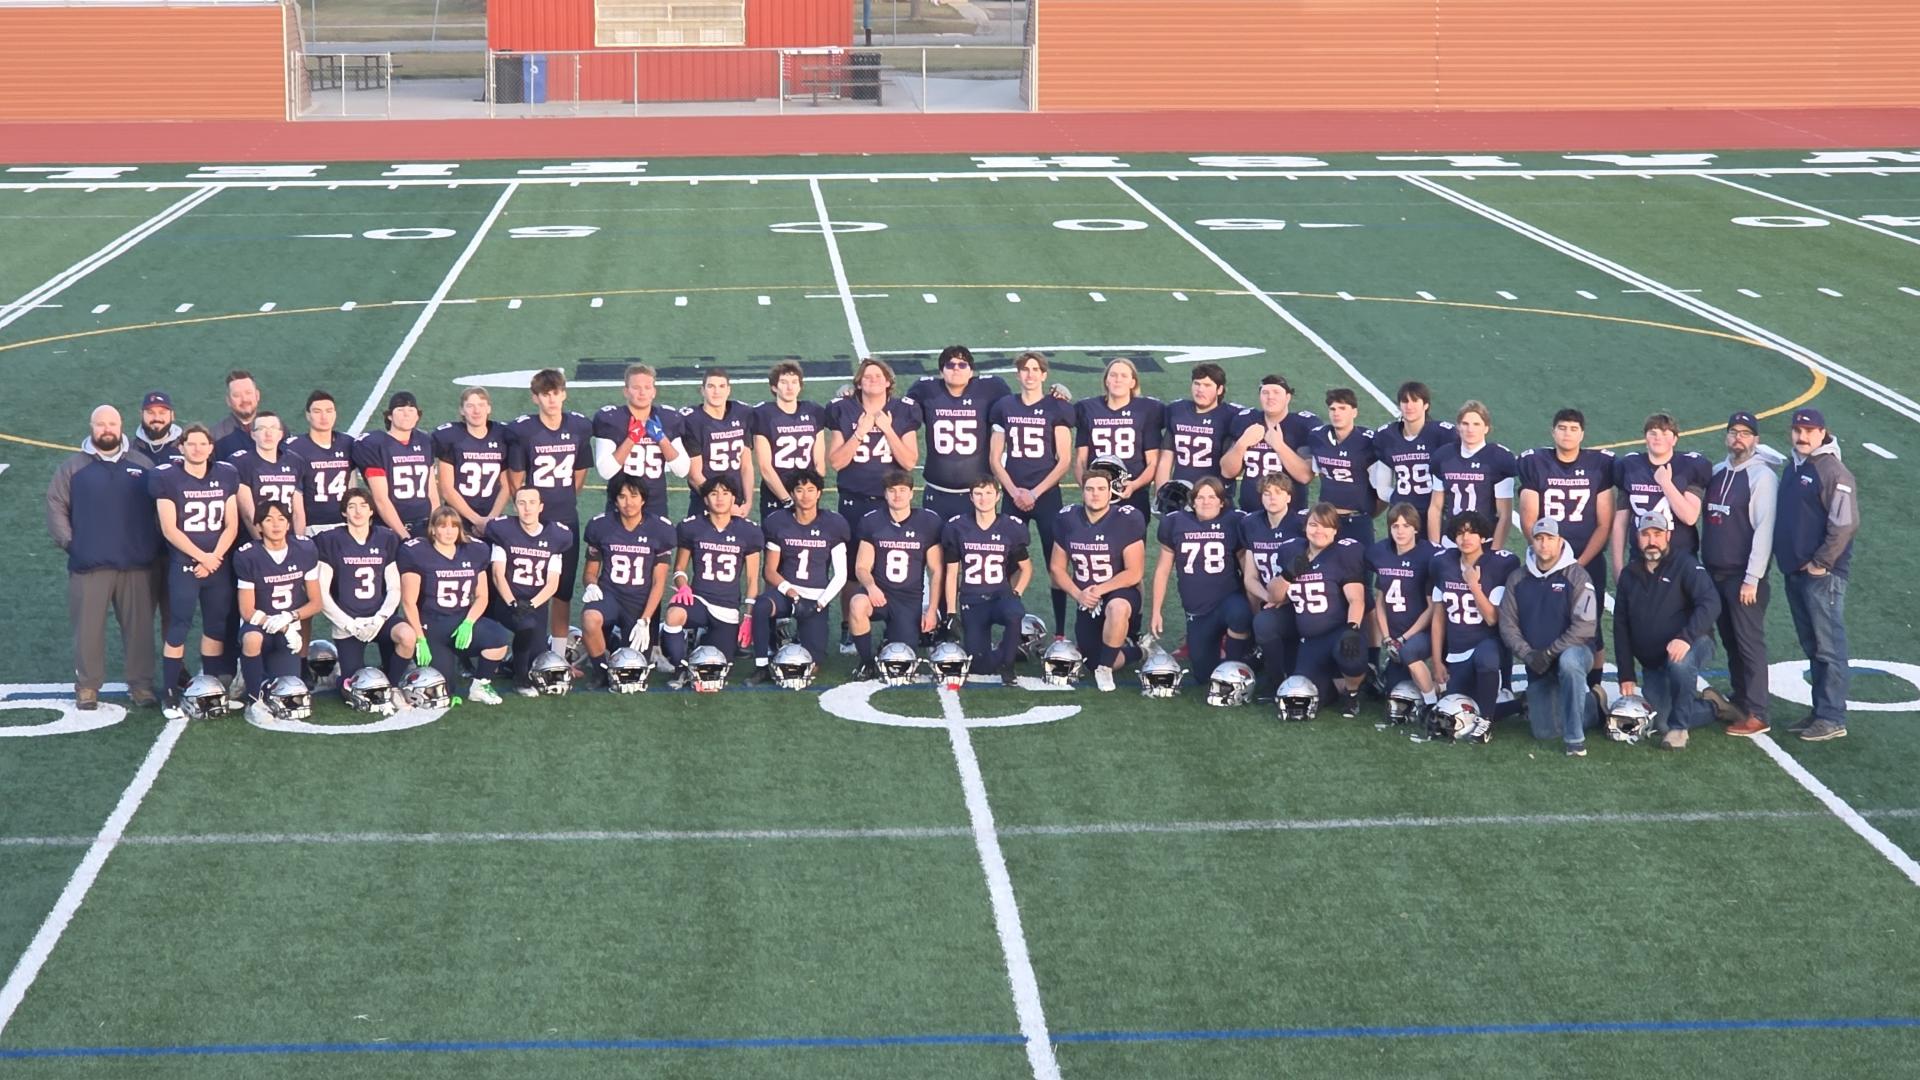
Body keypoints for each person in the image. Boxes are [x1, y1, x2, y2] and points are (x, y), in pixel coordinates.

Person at [47, 405, 162, 709]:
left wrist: (149, 545)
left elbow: (160, 509)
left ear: (121, 426)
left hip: (136, 565)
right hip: (89, 566)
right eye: (101, 424)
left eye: (112, 423)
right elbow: (56, 505)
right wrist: (73, 545)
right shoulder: (72, 467)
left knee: (140, 630)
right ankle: (87, 686)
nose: (106, 429)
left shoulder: (143, 465)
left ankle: (141, 685)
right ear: (91, 426)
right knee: (87, 630)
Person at [1775, 407, 1859, 742]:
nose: (1802, 436)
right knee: (1813, 645)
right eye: (1797, 430)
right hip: (1797, 571)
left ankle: (1832, 716)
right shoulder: (1796, 466)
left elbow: (1845, 524)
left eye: (1809, 431)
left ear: (1823, 433)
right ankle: (1820, 711)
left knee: (1828, 647)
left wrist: (1821, 563)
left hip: (1822, 576)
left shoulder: (1833, 471)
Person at [1518, 408, 1614, 695]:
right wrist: (1548, 555)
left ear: (1582, 434)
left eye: (1573, 429)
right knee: (1541, 620)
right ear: (1553, 431)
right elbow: (1528, 519)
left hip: (1587, 559)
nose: (1567, 433)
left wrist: (1577, 563)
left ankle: (1594, 690)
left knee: (1591, 626)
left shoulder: (1598, 465)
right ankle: (1541, 685)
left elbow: (1604, 523)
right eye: (1562, 428)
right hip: (1545, 560)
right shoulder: (1536, 463)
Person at [829, 358, 921, 652]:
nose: (872, 381)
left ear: (889, 381)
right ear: (858, 382)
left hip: (890, 503)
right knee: (852, 570)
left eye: (878, 376)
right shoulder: (843, 409)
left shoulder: (903, 410)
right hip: (854, 500)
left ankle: (893, 623)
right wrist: (861, 431)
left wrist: (887, 429)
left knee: (892, 565)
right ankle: (849, 626)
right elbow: (836, 462)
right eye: (867, 377)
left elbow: (909, 461)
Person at [149, 423, 242, 715]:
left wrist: (214, 557)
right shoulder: (167, 477)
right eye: (191, 444)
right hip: (185, 564)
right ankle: (169, 693)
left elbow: (232, 524)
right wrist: (203, 557)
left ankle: (210, 687)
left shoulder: (226, 474)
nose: (197, 449)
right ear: (181, 447)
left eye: (203, 444)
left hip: (217, 565)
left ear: (211, 447)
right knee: (179, 626)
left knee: (215, 627)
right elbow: (169, 528)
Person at [1613, 510, 1722, 750]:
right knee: (1661, 721)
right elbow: (1620, 626)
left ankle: (1680, 729)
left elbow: (1711, 602)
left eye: (1658, 534)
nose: (1652, 540)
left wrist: (1685, 637)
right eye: (1646, 534)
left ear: (1668, 536)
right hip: (1653, 662)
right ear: (1637, 537)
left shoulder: (1685, 564)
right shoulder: (1629, 574)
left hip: (1693, 643)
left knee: (1680, 663)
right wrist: (1626, 673)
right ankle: (1713, 706)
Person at [1701, 410, 1780, 737]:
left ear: (1756, 440)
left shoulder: (1762, 477)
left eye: (1745, 433)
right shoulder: (1718, 472)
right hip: (1716, 575)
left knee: (1749, 645)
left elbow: (1765, 529)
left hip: (1742, 578)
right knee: (1731, 642)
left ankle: (1758, 712)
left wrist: (1752, 577)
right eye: (1734, 432)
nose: (1738, 438)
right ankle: (1741, 700)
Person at [990, 350, 1076, 640]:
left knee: (1056, 563)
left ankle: (1060, 634)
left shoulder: (1057, 407)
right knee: (1005, 561)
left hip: (1046, 496)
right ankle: (1006, 625)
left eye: (1035, 369)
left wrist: (1035, 492)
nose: (1029, 374)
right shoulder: (1005, 406)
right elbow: (995, 458)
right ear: (1018, 374)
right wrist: (1014, 491)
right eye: (1025, 369)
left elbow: (1064, 460)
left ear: (1044, 374)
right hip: (1013, 494)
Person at [1499, 519, 1601, 757]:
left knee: (1569, 663)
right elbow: (1507, 625)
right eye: (1539, 538)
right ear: (1532, 542)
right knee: (1545, 731)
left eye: (1550, 538)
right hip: (1537, 662)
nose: (1544, 544)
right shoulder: (1517, 578)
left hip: (1575, 653)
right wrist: (1528, 655)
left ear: (1560, 541)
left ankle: (1575, 740)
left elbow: (1585, 628)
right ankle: (1591, 704)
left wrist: (1549, 652)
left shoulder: (1578, 576)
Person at [509, 368, 593, 653]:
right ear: (535, 398)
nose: (552, 399)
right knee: (527, 585)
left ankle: (557, 653)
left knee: (562, 589)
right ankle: (524, 649)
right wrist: (530, 511)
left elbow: (579, 474)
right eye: (545, 395)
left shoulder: (578, 427)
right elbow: (516, 479)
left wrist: (564, 499)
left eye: (556, 393)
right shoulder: (525, 431)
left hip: (566, 517)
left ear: (564, 394)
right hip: (534, 521)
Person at [1049, 460, 1147, 691]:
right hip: (1086, 598)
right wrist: (1079, 594)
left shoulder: (1126, 519)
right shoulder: (1067, 519)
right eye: (1090, 489)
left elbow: (1134, 572)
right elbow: (1056, 568)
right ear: (1082, 491)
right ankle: (1140, 651)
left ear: (1110, 491)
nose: (1095, 494)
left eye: (1102, 488)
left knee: (1117, 608)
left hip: (1120, 591)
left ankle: (1105, 670)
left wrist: (1099, 590)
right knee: (1091, 660)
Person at [399, 506, 512, 705]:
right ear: (433, 529)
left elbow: (482, 596)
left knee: (499, 638)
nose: (449, 531)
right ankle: (414, 667)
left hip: (460, 620)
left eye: (454, 526)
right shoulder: (417, 553)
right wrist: (420, 638)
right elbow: (408, 602)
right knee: (442, 691)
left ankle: (480, 685)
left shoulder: (474, 551)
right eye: (443, 526)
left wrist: (469, 623)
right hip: (431, 625)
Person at [747, 469, 850, 684]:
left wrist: (820, 603)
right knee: (762, 606)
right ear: (792, 494)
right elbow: (770, 571)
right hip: (787, 594)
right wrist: (792, 593)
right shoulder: (779, 522)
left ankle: (795, 639)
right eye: (800, 490)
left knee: (812, 665)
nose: (805, 495)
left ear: (819, 493)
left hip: (816, 597)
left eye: (811, 490)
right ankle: (762, 665)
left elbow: (841, 574)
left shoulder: (833, 524)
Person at [663, 477, 764, 686]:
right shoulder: (692, 527)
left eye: (725, 493)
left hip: (727, 607)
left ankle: (699, 638)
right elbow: (679, 568)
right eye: (714, 494)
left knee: (717, 668)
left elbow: (752, 579)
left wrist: (748, 615)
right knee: (674, 615)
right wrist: (683, 587)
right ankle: (679, 668)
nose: (720, 498)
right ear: (705, 499)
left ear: (733, 499)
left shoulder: (748, 531)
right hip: (698, 600)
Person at [1150, 476, 1250, 686]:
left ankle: (1234, 665)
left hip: (1228, 601)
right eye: (1201, 497)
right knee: (1203, 675)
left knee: (1240, 615)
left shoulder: (1233, 522)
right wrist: (1156, 611)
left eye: (1212, 497)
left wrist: (1254, 606)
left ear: (1221, 502)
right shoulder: (1175, 523)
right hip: (1198, 611)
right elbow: (1162, 571)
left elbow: (1247, 571)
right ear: (1192, 501)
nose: (1206, 502)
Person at [1273, 503, 1369, 715]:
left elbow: (1356, 599)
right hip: (1311, 641)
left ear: (1335, 530)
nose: (1319, 531)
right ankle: (1337, 685)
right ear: (1305, 527)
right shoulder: (1292, 551)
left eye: (1326, 526)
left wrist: (1352, 629)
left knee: (1351, 657)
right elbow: (1274, 596)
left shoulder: (1344, 554)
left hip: (1338, 632)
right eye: (1314, 525)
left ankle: (1353, 693)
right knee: (1306, 693)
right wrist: (1287, 575)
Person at [579, 474, 676, 683]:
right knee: (589, 618)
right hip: (610, 595)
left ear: (643, 499)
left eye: (634, 496)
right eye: (622, 497)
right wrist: (591, 586)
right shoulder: (601, 526)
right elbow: (589, 573)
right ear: (615, 500)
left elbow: (659, 583)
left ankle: (613, 643)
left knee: (634, 668)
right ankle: (600, 671)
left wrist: (645, 619)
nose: (628, 502)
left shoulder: (659, 529)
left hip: (639, 601)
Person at [847, 469, 943, 679]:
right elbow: (861, 567)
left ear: (911, 493)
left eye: (902, 490)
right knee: (857, 603)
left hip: (909, 599)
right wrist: (871, 587)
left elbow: (936, 571)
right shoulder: (872, 521)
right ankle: (867, 662)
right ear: (885, 494)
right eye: (892, 490)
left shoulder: (927, 522)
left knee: (902, 658)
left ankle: (889, 638)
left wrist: (931, 609)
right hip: (880, 594)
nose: (897, 495)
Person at [232, 501, 322, 712]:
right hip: (259, 626)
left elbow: (316, 603)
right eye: (269, 520)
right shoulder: (248, 555)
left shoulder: (304, 549)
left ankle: (256, 675)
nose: (276, 525)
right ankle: (254, 699)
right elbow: (246, 611)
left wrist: (291, 617)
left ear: (288, 524)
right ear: (259, 526)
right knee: (252, 639)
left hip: (288, 630)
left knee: (287, 690)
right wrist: (282, 625)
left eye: (281, 519)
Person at [1429, 510, 1519, 722]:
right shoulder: (1443, 563)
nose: (1465, 538)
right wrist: (1437, 661)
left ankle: (1486, 723)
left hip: (1487, 648)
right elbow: (1438, 617)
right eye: (1460, 533)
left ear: (1483, 536)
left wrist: (1473, 585)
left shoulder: (1497, 566)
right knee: (1460, 710)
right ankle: (1519, 705)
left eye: (1472, 532)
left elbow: (1492, 619)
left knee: (1486, 658)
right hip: (1457, 652)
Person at [315, 487, 412, 680]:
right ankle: (336, 677)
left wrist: (381, 618)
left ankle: (391, 684)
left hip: (379, 618)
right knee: (353, 683)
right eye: (351, 506)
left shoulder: (386, 538)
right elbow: (322, 592)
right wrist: (348, 624)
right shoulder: (331, 540)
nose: (358, 511)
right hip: (348, 621)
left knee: (407, 636)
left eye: (363, 505)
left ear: (371, 510)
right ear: (344, 512)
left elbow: (394, 587)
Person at [942, 477, 1032, 685]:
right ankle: (1010, 648)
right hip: (972, 601)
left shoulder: (1010, 527)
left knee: (1014, 613)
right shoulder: (957, 527)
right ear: (971, 497)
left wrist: (1016, 593)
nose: (984, 499)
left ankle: (1008, 665)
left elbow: (1026, 568)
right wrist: (951, 612)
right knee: (980, 666)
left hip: (1000, 597)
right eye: (979, 494)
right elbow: (952, 573)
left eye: (989, 493)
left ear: (998, 496)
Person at [908, 344, 1011, 520]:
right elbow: (898, 411)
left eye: (962, 364)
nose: (956, 368)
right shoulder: (926, 390)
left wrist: (1056, 393)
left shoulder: (990, 388)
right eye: (950, 365)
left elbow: (1020, 409)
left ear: (971, 371)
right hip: (937, 491)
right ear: (941, 372)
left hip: (978, 493)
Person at [486, 487, 570, 695]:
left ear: (541, 507)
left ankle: (511, 664)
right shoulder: (504, 530)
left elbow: (552, 583)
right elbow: (498, 575)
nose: (527, 508)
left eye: (532, 503)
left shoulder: (556, 536)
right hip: (507, 603)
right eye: (521, 503)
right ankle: (520, 680)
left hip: (537, 605)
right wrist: (513, 603)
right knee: (525, 626)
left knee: (536, 659)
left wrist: (531, 604)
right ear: (515, 507)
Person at [1611, 412, 1712, 569]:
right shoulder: (1630, 466)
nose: (1658, 438)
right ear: (1645, 438)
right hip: (1641, 559)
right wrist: (1618, 567)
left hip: (1680, 561)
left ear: (1675, 439)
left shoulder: (1689, 466)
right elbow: (1620, 523)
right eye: (1653, 433)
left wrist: (1665, 483)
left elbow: (1690, 517)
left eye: (1665, 433)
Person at [1367, 502, 1441, 711]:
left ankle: (1431, 705)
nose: (1400, 531)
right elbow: (1380, 599)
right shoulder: (1381, 553)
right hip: (1395, 634)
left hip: (1423, 633)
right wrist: (1387, 637)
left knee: (1409, 653)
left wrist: (1403, 638)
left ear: (1416, 528)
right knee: (1394, 692)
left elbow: (1432, 608)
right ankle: (1432, 687)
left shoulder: (1428, 555)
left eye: (1406, 526)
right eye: (1395, 526)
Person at [593, 362, 690, 518]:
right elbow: (606, 471)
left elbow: (682, 470)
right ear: (626, 391)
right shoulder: (611, 419)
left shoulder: (668, 418)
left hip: (655, 504)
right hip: (621, 504)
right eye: (636, 388)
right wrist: (632, 439)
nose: (642, 392)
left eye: (647, 387)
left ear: (654, 392)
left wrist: (662, 439)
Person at [1242, 472, 1304, 699]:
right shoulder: (1252, 524)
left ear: (1289, 497)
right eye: (1267, 493)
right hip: (1270, 602)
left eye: (1278, 492)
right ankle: (1275, 680)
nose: (1272, 498)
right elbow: (1250, 577)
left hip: (1300, 601)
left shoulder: (1301, 524)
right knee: (1264, 623)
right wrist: (1270, 597)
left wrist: (1283, 597)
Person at [1074, 357, 1163, 514]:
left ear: (1133, 382)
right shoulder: (1088, 409)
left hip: (1134, 491)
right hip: (1097, 491)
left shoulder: (1146, 410)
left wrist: (1134, 485)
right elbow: (1080, 460)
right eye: (1113, 375)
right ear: (1106, 381)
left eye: (1124, 376)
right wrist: (1089, 487)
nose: (1118, 380)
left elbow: (1153, 462)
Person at [1426, 399, 1517, 549]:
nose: (1470, 429)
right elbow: (1435, 507)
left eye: (1476, 424)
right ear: (1458, 427)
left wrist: (1495, 551)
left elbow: (1505, 514)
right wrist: (1435, 546)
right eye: (1465, 424)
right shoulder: (1444, 456)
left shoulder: (1498, 458)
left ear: (1486, 428)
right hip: (1451, 540)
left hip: (1484, 542)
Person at [1223, 374, 1316, 515]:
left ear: (1288, 397)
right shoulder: (1247, 421)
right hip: (1250, 513)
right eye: (1265, 392)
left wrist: (1279, 446)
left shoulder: (1301, 425)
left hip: (1291, 515)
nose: (1270, 397)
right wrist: (1242, 444)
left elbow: (1305, 475)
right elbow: (1227, 471)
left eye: (1276, 392)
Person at [751, 359, 830, 520]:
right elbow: (765, 467)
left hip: (806, 492)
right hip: (775, 492)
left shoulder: (813, 411)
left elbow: (819, 462)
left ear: (800, 386)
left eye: (794, 382)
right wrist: (788, 500)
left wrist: (810, 492)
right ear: (774, 387)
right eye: (784, 382)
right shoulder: (764, 414)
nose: (789, 387)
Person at [354, 390, 437, 541]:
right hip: (391, 529)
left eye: (411, 410)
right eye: (400, 410)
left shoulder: (424, 441)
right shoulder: (376, 444)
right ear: (390, 416)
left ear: (417, 416)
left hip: (424, 524)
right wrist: (404, 536)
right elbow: (381, 499)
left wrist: (436, 526)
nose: (406, 414)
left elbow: (432, 493)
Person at [1306, 388, 1380, 545]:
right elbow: (1322, 474)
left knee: (1361, 560)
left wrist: (1367, 515)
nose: (1336, 413)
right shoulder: (1318, 437)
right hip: (1327, 520)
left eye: (1342, 408)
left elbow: (1382, 492)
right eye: (1332, 409)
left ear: (1354, 412)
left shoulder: (1368, 441)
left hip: (1357, 520)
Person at [682, 368, 758, 521]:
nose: (717, 392)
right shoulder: (693, 420)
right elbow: (694, 475)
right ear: (702, 390)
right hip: (704, 502)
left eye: (721, 386)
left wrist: (748, 502)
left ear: (729, 390)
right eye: (711, 386)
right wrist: (725, 505)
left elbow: (746, 465)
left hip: (736, 501)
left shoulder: (741, 414)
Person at [1370, 381, 1456, 516]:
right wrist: (1400, 500)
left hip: (1433, 512)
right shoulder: (1387, 437)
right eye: (1405, 401)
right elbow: (1382, 489)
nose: (1409, 406)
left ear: (1426, 405)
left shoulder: (1442, 434)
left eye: (1415, 401)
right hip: (1402, 516)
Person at [433, 386, 510, 534]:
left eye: (481, 405)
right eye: (470, 406)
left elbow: (506, 485)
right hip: (457, 518)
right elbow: (447, 489)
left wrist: (491, 519)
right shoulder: (451, 437)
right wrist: (477, 520)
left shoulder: (501, 436)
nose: (476, 411)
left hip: (492, 515)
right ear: (462, 410)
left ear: (489, 408)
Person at [1157, 363, 1237, 493]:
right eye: (1197, 384)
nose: (1200, 389)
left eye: (1207, 385)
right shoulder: (1178, 410)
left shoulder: (1230, 416)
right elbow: (1166, 460)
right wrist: (1161, 493)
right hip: (1180, 493)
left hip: (1214, 495)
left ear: (1219, 389)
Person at [284, 390, 355, 534]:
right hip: (312, 525)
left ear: (335, 414)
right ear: (308, 415)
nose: (324, 417)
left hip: (344, 524)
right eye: (317, 411)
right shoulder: (295, 447)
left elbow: (352, 483)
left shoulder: (348, 443)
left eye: (329, 411)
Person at [230, 412, 306, 539]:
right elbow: (248, 515)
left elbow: (298, 512)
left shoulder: (294, 461)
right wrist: (264, 545)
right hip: (255, 539)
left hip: (288, 537)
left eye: (273, 428)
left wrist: (299, 542)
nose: (268, 433)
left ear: (281, 434)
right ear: (253, 434)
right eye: (261, 428)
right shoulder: (242, 462)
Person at [209, 369, 261, 459]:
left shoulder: (277, 429)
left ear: (257, 395)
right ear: (228, 401)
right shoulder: (215, 436)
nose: (244, 399)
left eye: (248, 393)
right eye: (236, 395)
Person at [127, 390, 182, 469]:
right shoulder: (128, 449)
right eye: (150, 412)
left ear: (172, 415)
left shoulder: (187, 446)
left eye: (162, 413)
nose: (157, 418)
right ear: (141, 415)